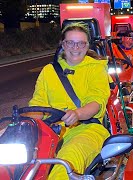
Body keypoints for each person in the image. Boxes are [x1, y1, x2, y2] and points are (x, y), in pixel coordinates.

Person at [29, 22, 111, 179]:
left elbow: (96, 101)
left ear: (87, 46)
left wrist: (77, 114)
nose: (76, 47)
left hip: (87, 129)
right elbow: (37, 104)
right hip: (50, 131)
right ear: (63, 44)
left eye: (81, 43)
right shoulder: (48, 71)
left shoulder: (96, 68)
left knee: (64, 162)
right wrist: (23, 125)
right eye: (70, 42)